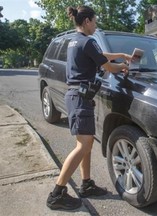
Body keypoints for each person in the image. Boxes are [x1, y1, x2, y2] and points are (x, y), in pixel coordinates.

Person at [46, 5, 131, 210]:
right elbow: (108, 67)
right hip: (80, 98)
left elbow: (101, 55)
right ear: (86, 22)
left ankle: (86, 184)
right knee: (83, 146)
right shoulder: (87, 41)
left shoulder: (75, 41)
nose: (96, 24)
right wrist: (124, 66)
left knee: (87, 143)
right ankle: (56, 194)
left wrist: (122, 54)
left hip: (77, 97)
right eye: (94, 21)